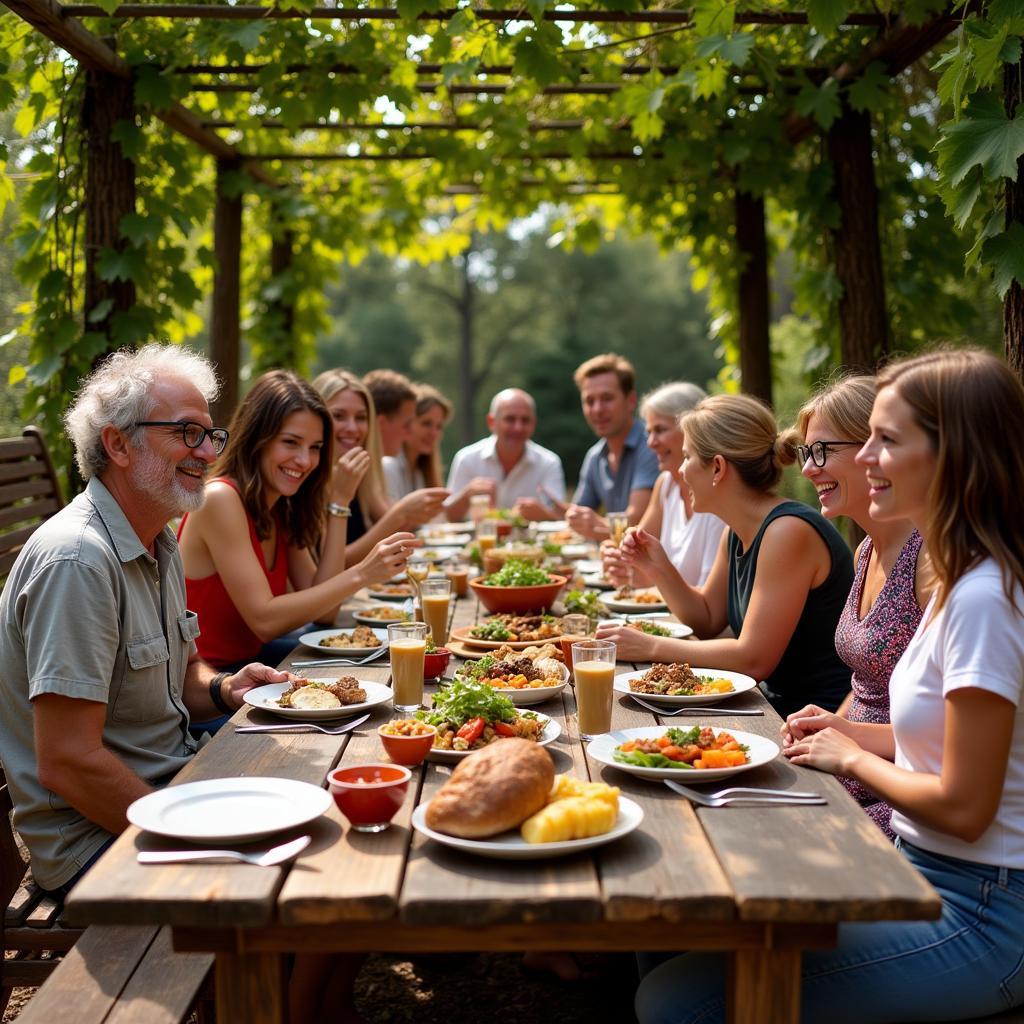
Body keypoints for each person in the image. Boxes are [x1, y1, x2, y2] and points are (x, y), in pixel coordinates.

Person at [636, 348, 1024, 1024]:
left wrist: (852, 758)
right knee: (673, 908)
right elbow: (945, 740)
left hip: (984, 911)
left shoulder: (982, 596)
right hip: (926, 867)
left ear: (954, 452)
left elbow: (964, 807)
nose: (865, 457)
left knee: (673, 1002)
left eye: (887, 440)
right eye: (866, 437)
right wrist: (846, 730)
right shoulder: (952, 573)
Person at [0, 345, 293, 896]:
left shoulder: (158, 538)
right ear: (117, 444)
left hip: (172, 787)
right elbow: (68, 762)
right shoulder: (79, 562)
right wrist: (194, 834)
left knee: (331, 818)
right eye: (186, 433)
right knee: (297, 881)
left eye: (211, 435)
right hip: (99, 841)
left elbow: (183, 677)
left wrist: (228, 688)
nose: (207, 452)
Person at [597, 393, 853, 718]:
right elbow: (705, 619)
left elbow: (753, 659)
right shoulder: (735, 531)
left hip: (815, 721)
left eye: (687, 457)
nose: (681, 470)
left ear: (717, 467)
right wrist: (658, 565)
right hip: (774, 708)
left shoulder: (787, 531)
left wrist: (649, 647)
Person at [176, 370, 417, 672]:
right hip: (211, 689)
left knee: (381, 659)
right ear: (257, 439)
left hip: (253, 667)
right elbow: (265, 620)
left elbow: (327, 612)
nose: (305, 461)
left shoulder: (280, 503)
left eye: (315, 447)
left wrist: (340, 502)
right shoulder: (220, 499)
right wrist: (364, 573)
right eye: (291, 442)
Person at [786, 374, 930, 839]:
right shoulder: (866, 549)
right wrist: (829, 725)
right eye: (807, 454)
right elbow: (866, 682)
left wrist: (846, 743)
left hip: (897, 791)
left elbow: (941, 739)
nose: (808, 469)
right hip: (853, 768)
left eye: (821, 451)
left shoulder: (930, 560)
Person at [313, 369, 449, 563]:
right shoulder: (308, 480)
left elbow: (392, 521)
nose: (352, 427)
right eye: (339, 416)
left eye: (360, 418)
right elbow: (334, 564)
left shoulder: (361, 472)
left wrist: (409, 512)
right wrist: (401, 513)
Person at [601, 381, 724, 588]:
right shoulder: (666, 485)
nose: (650, 443)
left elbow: (711, 605)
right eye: (648, 432)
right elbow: (638, 555)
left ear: (693, 431)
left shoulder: (718, 494)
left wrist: (644, 576)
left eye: (660, 430)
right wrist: (620, 561)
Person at [565, 353, 660, 541]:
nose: (597, 409)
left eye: (607, 398)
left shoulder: (652, 445)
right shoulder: (594, 456)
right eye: (589, 401)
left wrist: (591, 523)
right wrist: (569, 515)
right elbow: (580, 516)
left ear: (631, 401)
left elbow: (636, 520)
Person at [444, 387, 566, 522]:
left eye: (525, 420)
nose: (518, 427)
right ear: (491, 422)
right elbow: (448, 518)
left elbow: (561, 518)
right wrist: (467, 496)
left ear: (533, 423)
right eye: (510, 419)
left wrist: (543, 514)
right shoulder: (466, 459)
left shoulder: (549, 463)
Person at [382, 383, 452, 500]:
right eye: (426, 423)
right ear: (407, 423)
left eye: (439, 426)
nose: (434, 433)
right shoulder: (389, 466)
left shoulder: (421, 472)